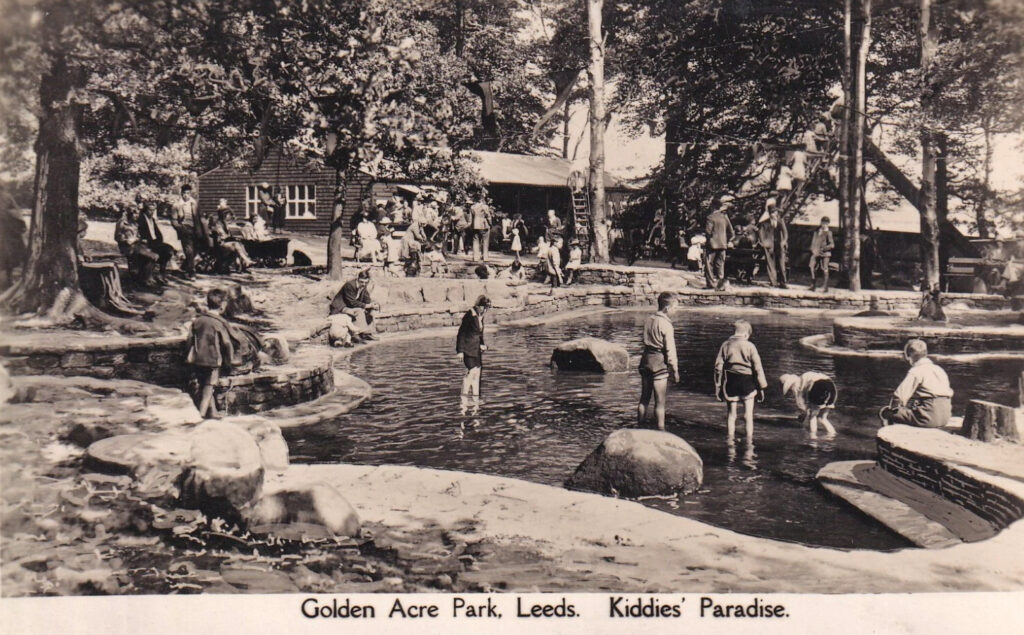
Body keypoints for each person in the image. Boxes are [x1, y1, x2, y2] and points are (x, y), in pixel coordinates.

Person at [714, 320, 768, 443]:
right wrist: (761, 387)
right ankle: (749, 444)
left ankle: (730, 443)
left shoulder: (726, 345)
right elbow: (758, 369)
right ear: (746, 334)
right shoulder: (750, 346)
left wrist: (718, 386)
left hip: (731, 381)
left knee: (731, 415)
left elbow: (718, 368)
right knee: (748, 416)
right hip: (747, 382)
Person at [879, 339, 954, 428]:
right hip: (945, 417)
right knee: (912, 407)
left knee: (885, 412)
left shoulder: (916, 371)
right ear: (925, 353)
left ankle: (891, 430)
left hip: (928, 418)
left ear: (909, 356)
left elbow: (898, 397)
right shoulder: (939, 369)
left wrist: (895, 410)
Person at [187, 288, 235, 419]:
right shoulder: (218, 323)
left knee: (205, 386)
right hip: (213, 361)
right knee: (208, 390)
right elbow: (227, 343)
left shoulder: (197, 320)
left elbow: (189, 340)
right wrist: (230, 360)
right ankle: (200, 416)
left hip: (197, 360)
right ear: (222, 305)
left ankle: (212, 412)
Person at [638, 292, 680, 431]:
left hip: (645, 360)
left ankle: (639, 426)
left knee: (644, 399)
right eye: (675, 307)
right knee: (660, 402)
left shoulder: (648, 320)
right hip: (658, 363)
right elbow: (670, 350)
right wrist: (675, 369)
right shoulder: (666, 325)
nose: (676, 310)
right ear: (667, 308)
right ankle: (661, 430)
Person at [780, 372, 837, 438]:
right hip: (832, 388)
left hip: (818, 387)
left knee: (812, 417)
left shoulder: (799, 386)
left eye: (790, 388)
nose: (791, 390)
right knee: (822, 418)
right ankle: (832, 436)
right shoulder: (805, 376)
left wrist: (804, 414)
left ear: (792, 385)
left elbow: (803, 405)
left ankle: (813, 438)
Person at [456, 294, 491, 400]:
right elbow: (461, 333)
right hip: (468, 348)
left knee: (477, 371)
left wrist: (482, 344)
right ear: (479, 306)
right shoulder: (469, 315)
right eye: (485, 308)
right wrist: (460, 351)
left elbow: (479, 334)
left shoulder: (480, 316)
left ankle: (476, 396)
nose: (485, 310)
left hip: (476, 349)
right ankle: (464, 396)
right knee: (471, 371)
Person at [329, 269, 379, 341]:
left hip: (350, 306)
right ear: (358, 279)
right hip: (341, 307)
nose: (364, 284)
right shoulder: (349, 285)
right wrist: (367, 306)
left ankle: (368, 333)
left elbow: (367, 298)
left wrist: (373, 304)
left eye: (366, 282)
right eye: (361, 282)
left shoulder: (363, 286)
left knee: (371, 309)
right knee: (359, 311)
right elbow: (351, 302)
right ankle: (357, 334)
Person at [115, 207, 159, 286]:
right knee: (152, 256)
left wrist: (139, 239)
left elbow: (138, 236)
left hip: (136, 245)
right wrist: (126, 240)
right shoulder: (122, 222)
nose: (137, 215)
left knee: (154, 256)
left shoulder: (135, 223)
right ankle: (145, 279)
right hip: (127, 247)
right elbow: (117, 237)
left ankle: (145, 277)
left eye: (138, 214)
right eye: (135, 213)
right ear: (130, 213)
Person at [137, 202, 175, 282]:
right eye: (150, 210)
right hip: (146, 242)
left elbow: (158, 233)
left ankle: (161, 274)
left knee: (169, 250)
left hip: (155, 241)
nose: (152, 212)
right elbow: (141, 233)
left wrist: (159, 240)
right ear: (146, 210)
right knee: (164, 251)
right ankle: (154, 275)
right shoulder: (141, 219)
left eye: (153, 210)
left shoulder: (152, 219)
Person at [171, 185, 200, 280]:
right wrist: (181, 228)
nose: (186, 195)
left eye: (188, 193)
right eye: (184, 193)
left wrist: (199, 230)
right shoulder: (177, 205)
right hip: (184, 229)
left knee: (195, 251)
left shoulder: (194, 203)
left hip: (195, 229)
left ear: (190, 193)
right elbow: (174, 221)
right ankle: (192, 272)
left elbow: (198, 217)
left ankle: (183, 268)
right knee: (189, 250)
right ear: (181, 193)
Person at [757, 202, 789, 288]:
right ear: (770, 214)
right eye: (773, 213)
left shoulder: (780, 221)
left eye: (776, 212)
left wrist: (784, 241)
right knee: (770, 264)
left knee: (781, 264)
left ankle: (783, 282)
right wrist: (763, 243)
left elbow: (785, 233)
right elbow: (760, 233)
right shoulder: (764, 223)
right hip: (769, 246)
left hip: (779, 246)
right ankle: (773, 282)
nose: (775, 214)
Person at [704, 205, 735, 290]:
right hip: (723, 245)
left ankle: (710, 284)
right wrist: (726, 241)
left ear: (713, 207)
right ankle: (720, 285)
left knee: (709, 264)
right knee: (720, 265)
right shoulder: (725, 217)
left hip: (712, 245)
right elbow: (731, 233)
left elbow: (708, 232)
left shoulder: (710, 217)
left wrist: (708, 240)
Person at [809, 216, 835, 292]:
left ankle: (825, 287)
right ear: (821, 223)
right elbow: (813, 242)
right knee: (812, 267)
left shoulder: (829, 233)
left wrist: (824, 249)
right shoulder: (817, 232)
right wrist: (813, 249)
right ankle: (813, 285)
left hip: (825, 254)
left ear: (828, 224)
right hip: (816, 253)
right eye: (823, 223)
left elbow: (832, 245)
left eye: (826, 224)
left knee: (825, 269)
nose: (824, 225)